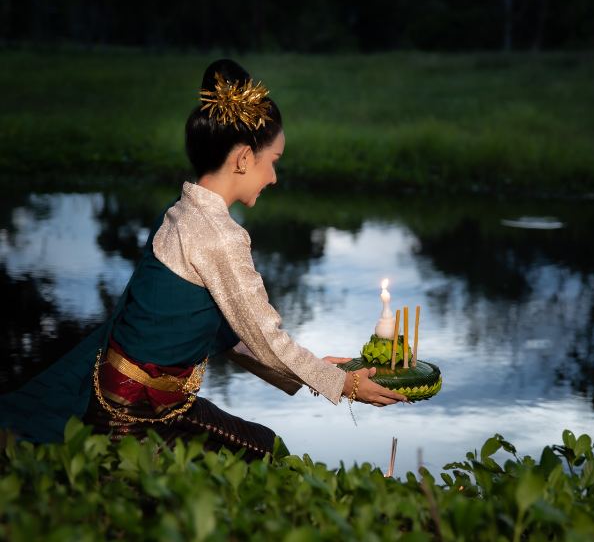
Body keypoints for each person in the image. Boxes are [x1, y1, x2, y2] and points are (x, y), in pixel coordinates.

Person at [0, 59, 405, 460]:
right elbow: (266, 337)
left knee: (262, 444)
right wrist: (344, 384)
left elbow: (224, 336)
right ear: (245, 158)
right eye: (274, 162)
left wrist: (317, 372)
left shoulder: (181, 213)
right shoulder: (220, 237)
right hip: (137, 419)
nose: (274, 178)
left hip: (130, 403)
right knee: (268, 455)